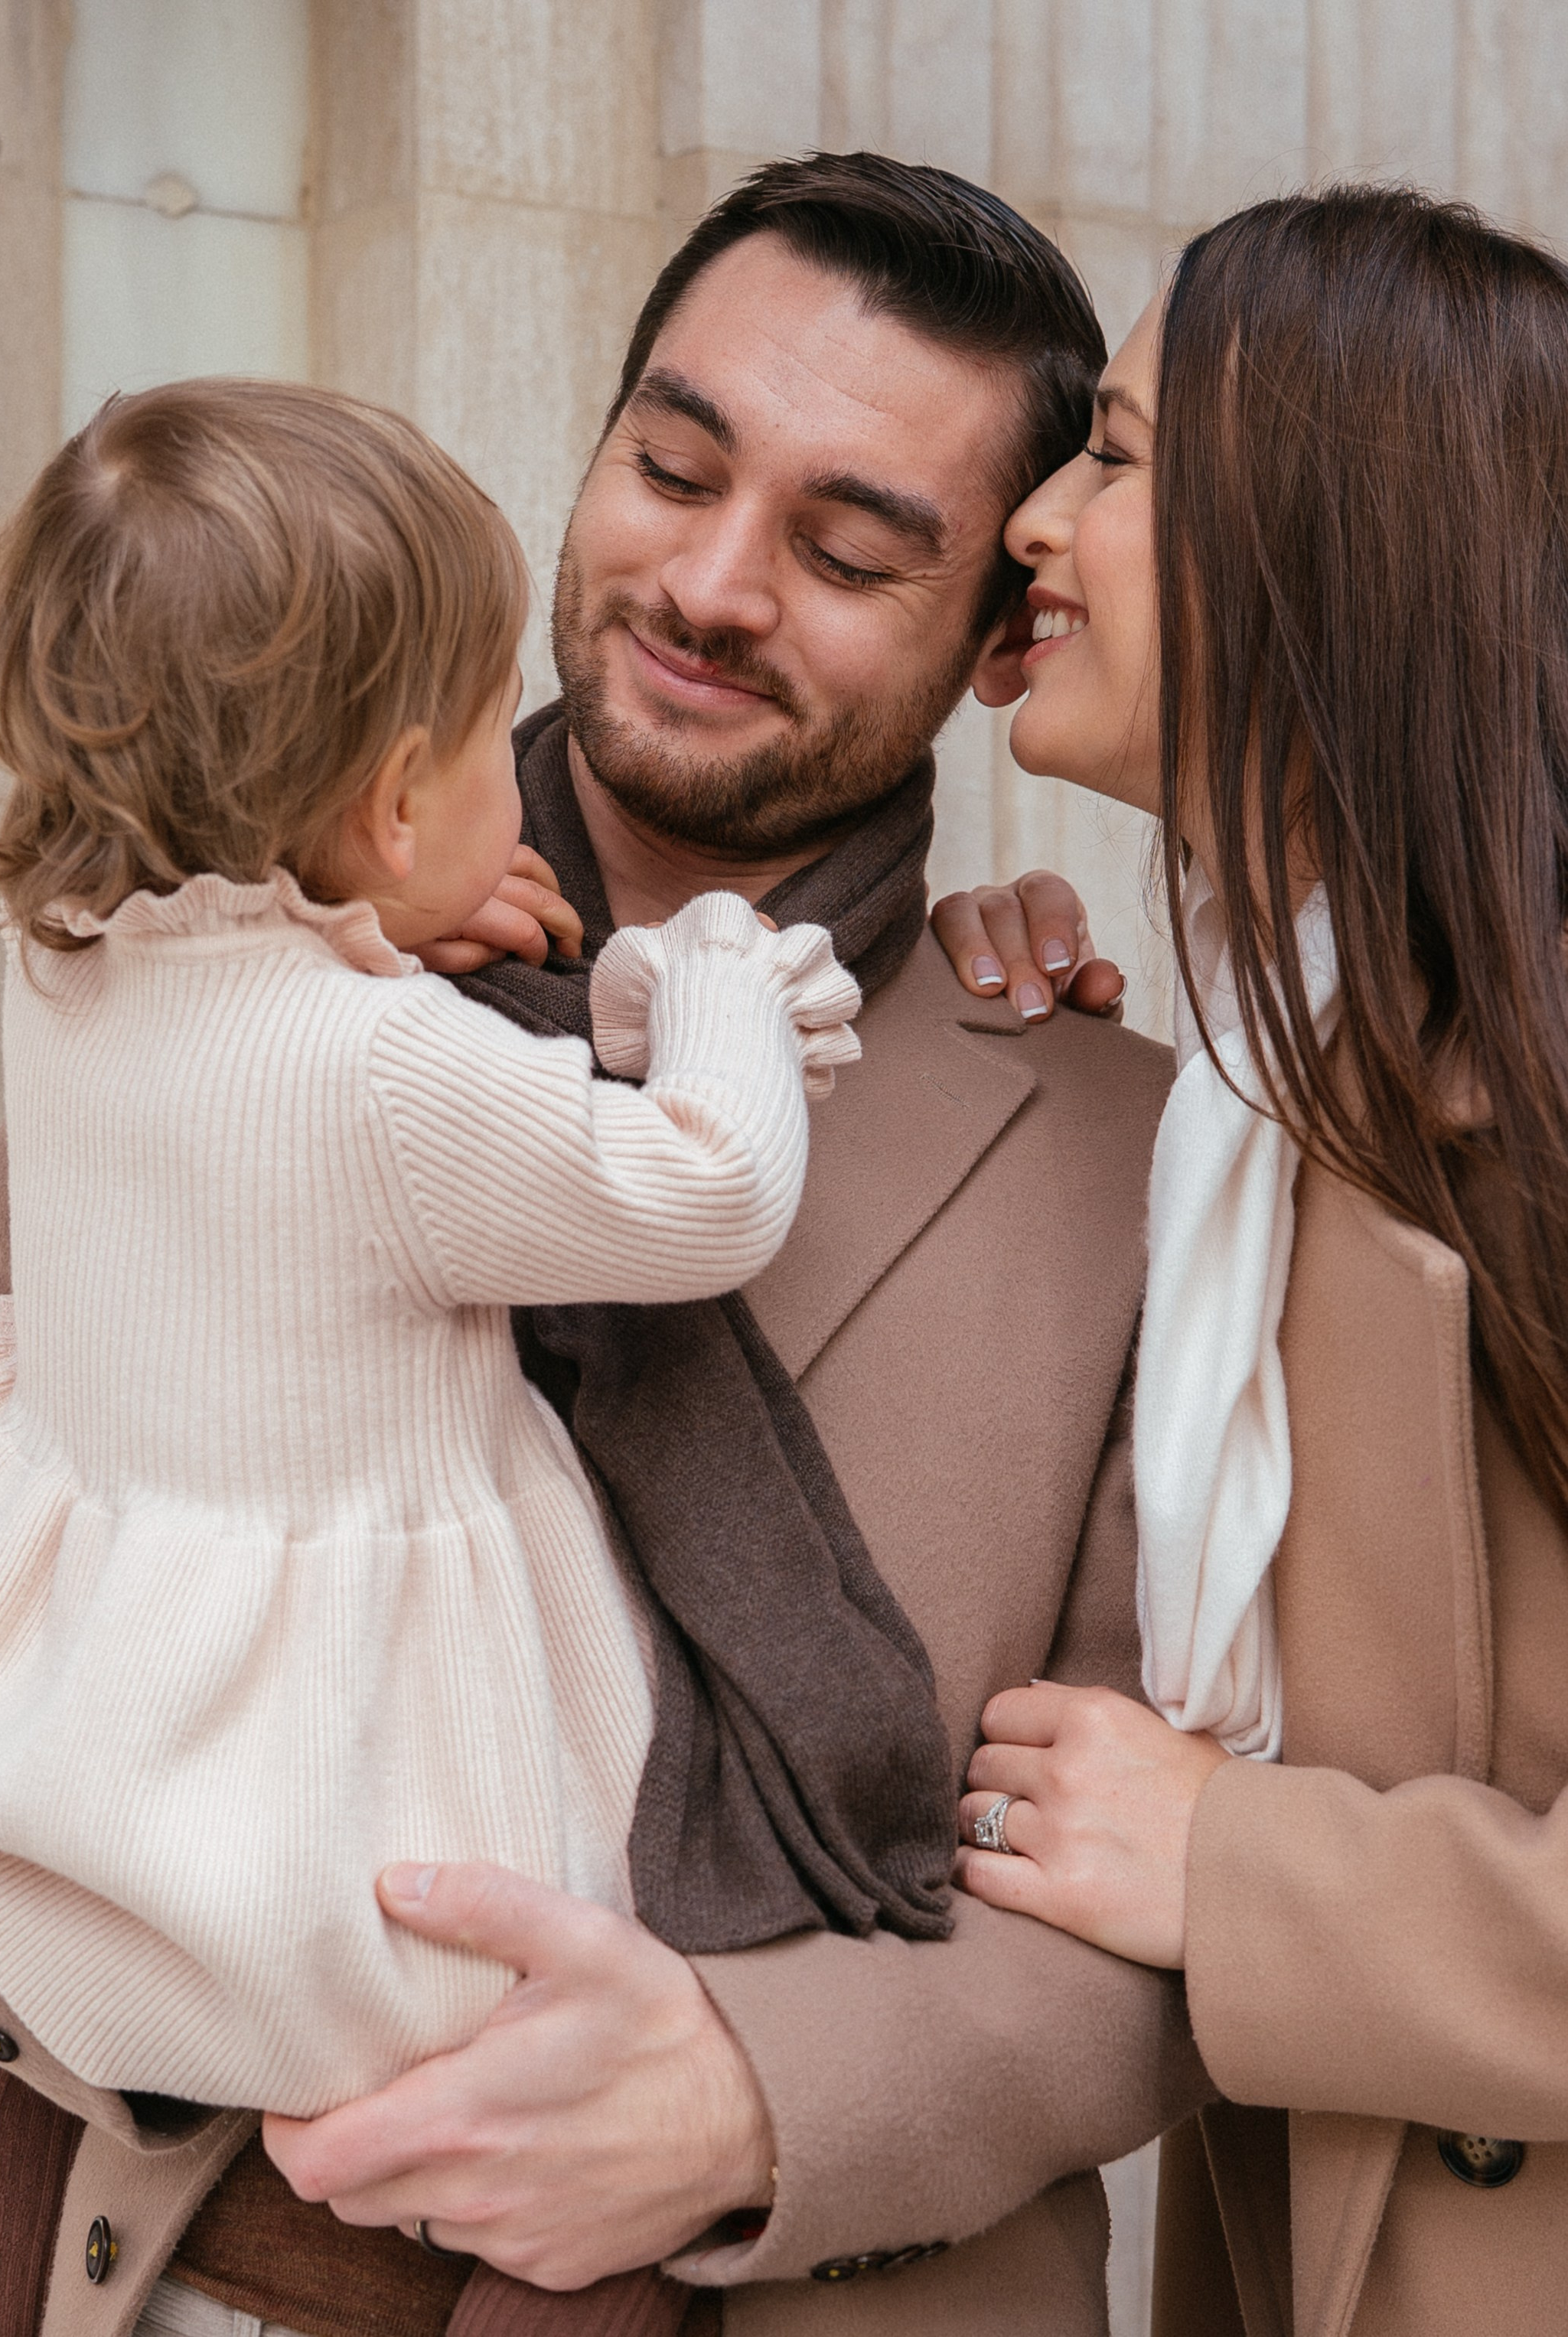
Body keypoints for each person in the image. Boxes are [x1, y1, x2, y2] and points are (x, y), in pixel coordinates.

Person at [0, 156, 1203, 2337]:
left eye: (845, 544)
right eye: (670, 467)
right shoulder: (200, 961)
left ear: (1000, 633)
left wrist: (747, 2103)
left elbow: (1168, 1915)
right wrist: (209, 1966)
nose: (707, 581)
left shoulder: (1127, 1143)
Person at [0, 368, 879, 2139]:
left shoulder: (77, 951)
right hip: (361, 1807)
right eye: (498, 728)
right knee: (442, 1941)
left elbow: (254, 1002)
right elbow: (707, 1184)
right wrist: (717, 965)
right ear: (398, 810)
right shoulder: (387, 1067)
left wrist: (378, 908)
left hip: (128, 1670)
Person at [955, 186, 1568, 2337]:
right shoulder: (1253, 1080)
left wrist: (1239, 1867)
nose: (1030, 516)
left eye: (1111, 455)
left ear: (1333, 535)